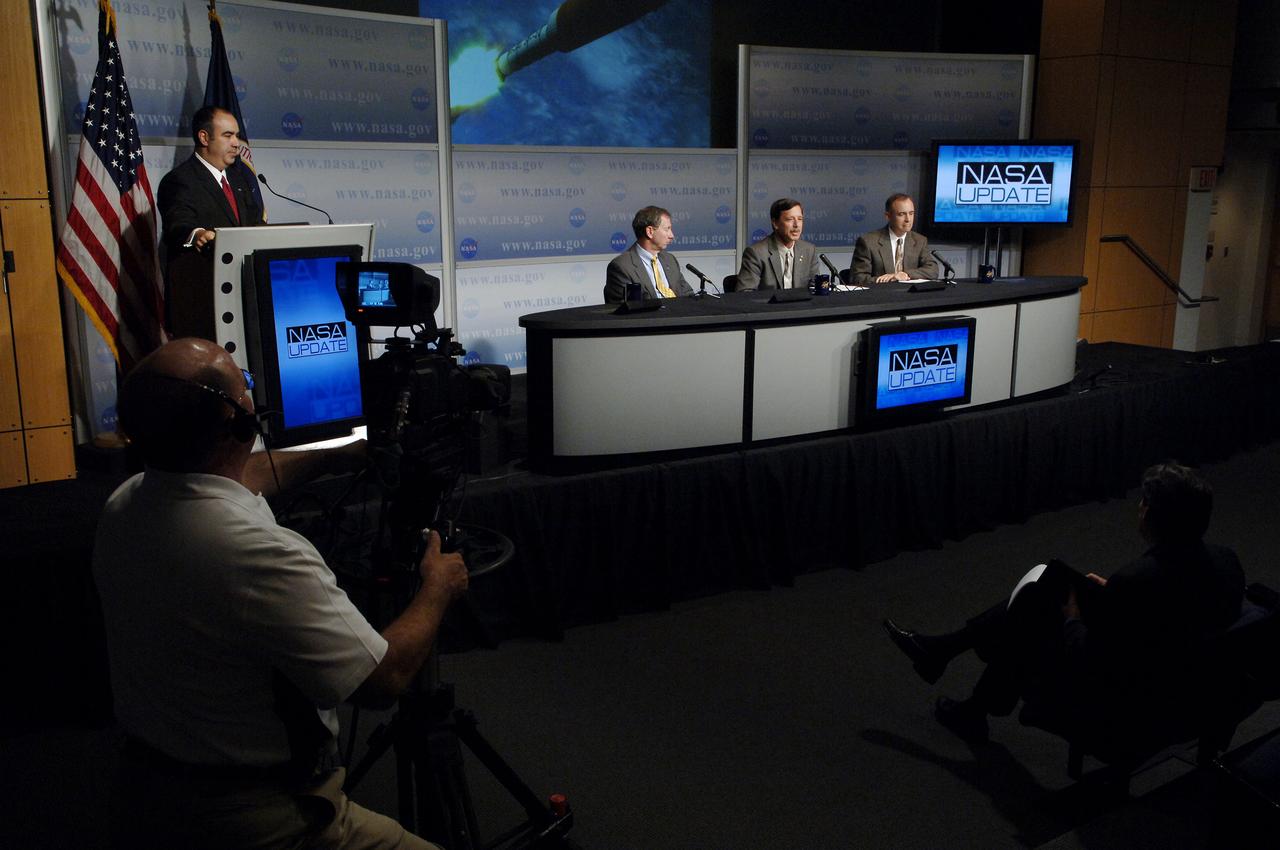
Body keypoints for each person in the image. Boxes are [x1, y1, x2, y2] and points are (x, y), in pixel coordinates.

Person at [93, 337, 467, 849]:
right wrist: (437, 588)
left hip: (147, 792)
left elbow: (242, 476)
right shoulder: (261, 553)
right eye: (244, 385)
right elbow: (384, 680)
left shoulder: (125, 504)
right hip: (252, 814)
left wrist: (347, 455)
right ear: (242, 426)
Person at [883, 462, 1245, 748]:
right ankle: (952, 669)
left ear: (1151, 516)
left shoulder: (1137, 580)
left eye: (1143, 503)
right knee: (1044, 589)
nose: (1138, 508)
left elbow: (1083, 654)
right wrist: (1110, 598)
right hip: (1190, 681)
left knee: (1032, 612)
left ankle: (952, 667)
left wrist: (1074, 616)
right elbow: (1171, 613)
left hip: (1132, 694)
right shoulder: (1226, 561)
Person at [157, 105, 264, 258]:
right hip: (202, 274)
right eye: (228, 135)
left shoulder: (239, 179)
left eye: (237, 135)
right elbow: (178, 225)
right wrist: (197, 235)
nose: (236, 143)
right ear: (204, 138)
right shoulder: (178, 180)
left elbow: (255, 222)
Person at [604, 206, 694, 303]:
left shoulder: (670, 259)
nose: (671, 236)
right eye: (667, 229)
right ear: (650, 231)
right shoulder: (623, 267)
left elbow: (687, 294)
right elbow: (631, 310)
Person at [850, 193, 938, 285]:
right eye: (901, 214)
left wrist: (904, 274)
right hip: (881, 296)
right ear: (888, 216)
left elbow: (932, 270)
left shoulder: (919, 241)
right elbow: (857, 278)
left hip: (910, 296)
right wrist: (890, 278)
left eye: (911, 213)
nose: (908, 219)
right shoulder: (868, 242)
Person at [736, 198, 818, 291]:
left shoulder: (809, 250)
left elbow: (815, 288)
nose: (796, 225)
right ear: (775, 223)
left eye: (800, 219)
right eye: (790, 219)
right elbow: (745, 293)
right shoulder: (756, 253)